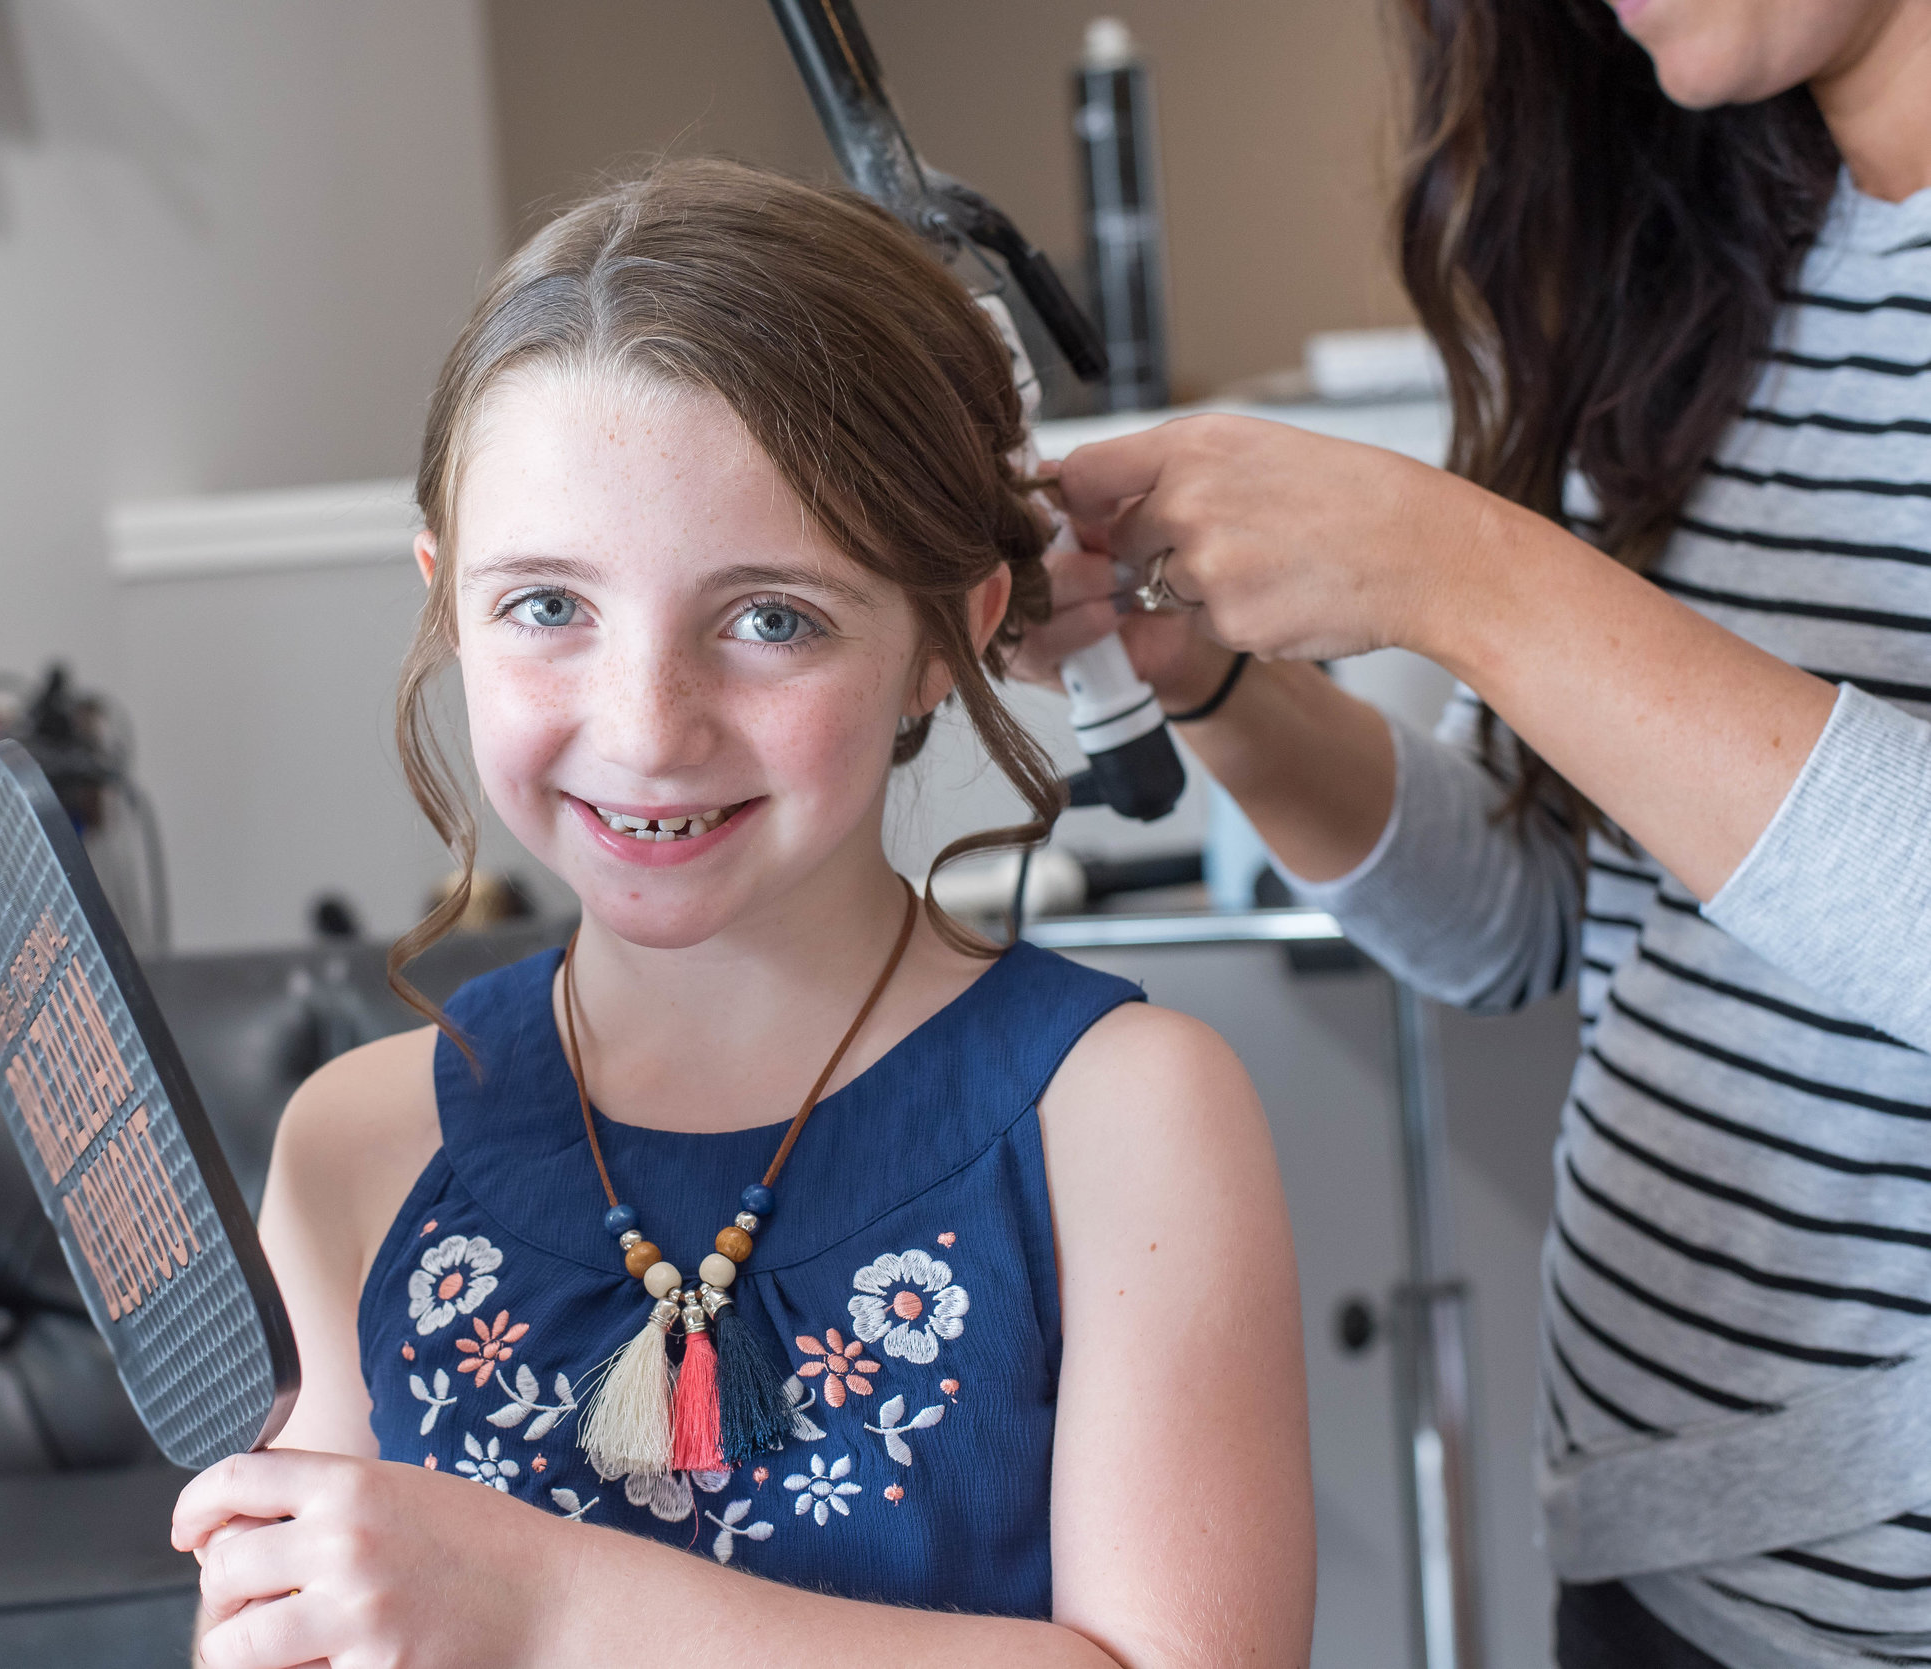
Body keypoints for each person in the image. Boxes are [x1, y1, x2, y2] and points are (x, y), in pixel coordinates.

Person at [169, 161, 1315, 1668]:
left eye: (771, 617)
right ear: (448, 605)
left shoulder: (1125, 1115)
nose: (649, 728)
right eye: (547, 608)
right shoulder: (354, 1149)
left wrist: (548, 1602)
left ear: (944, 638)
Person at [1015, 2, 1931, 1663]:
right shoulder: (1707, 270)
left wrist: (1464, 573)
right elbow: (1530, 916)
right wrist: (1209, 675)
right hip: (1650, 1545)